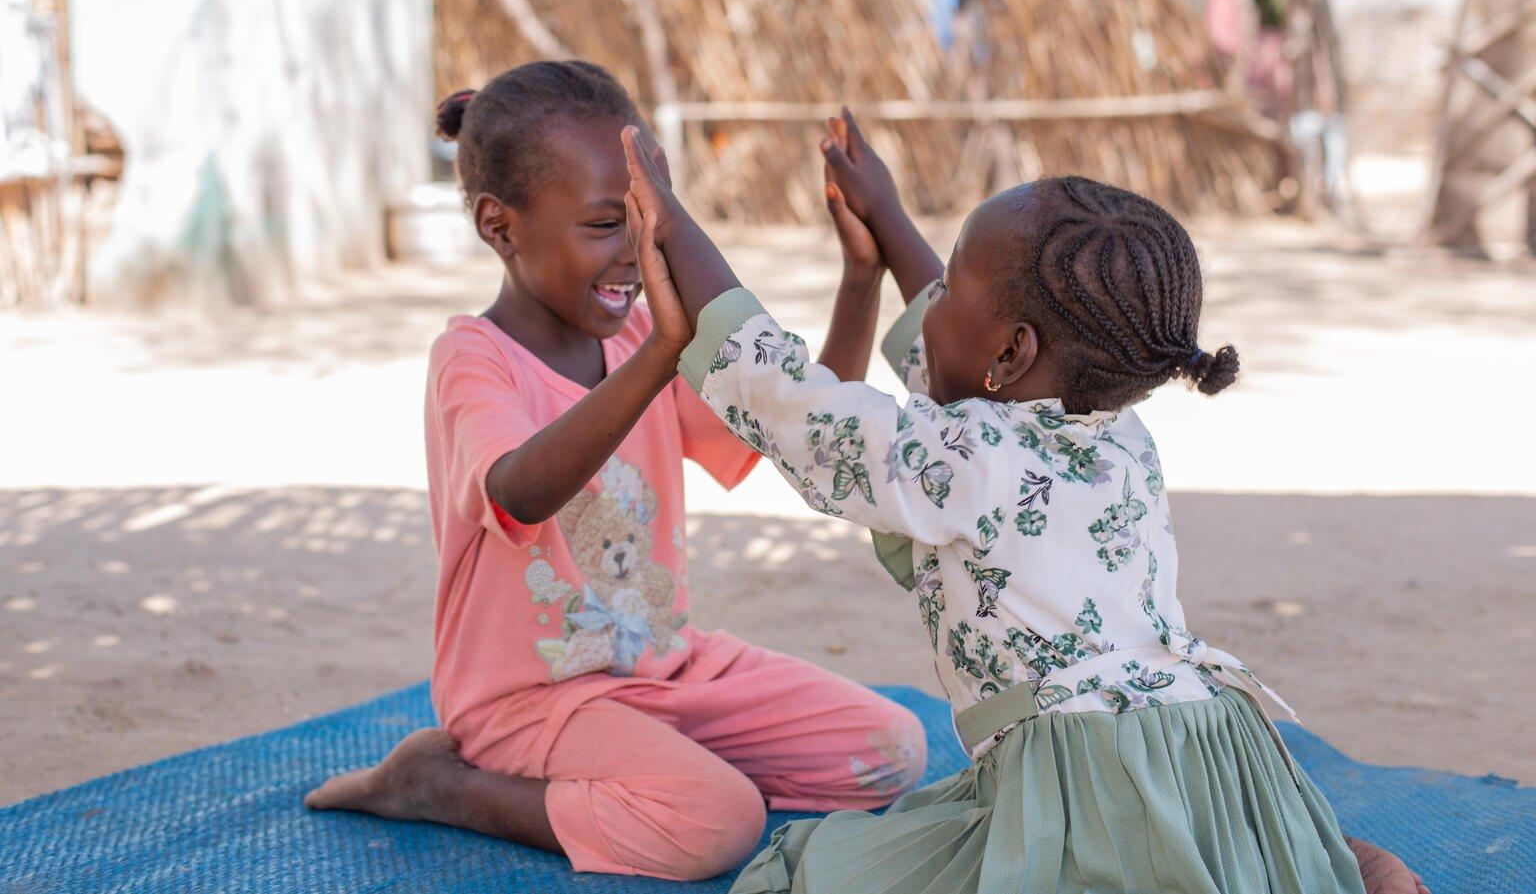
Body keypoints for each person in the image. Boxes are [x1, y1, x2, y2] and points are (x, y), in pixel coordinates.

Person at [617, 109, 1430, 894]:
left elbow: (799, 405)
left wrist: (677, 226)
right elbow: (969, 374)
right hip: (1216, 752)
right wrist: (886, 216)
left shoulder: (972, 459)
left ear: (1011, 352)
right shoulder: (1122, 435)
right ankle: (1314, 858)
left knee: (815, 873)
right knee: (1241, 855)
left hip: (1087, 785)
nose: (931, 298)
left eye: (947, 286)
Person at [302, 62, 926, 882]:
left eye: (645, 223)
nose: (636, 253)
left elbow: (788, 426)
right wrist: (665, 350)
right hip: (531, 698)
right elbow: (520, 489)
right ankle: (441, 784)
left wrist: (860, 277)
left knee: (891, 748)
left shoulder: (636, 339)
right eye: (605, 224)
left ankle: (651, 766)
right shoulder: (474, 359)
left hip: (670, 668)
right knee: (720, 820)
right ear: (500, 226)